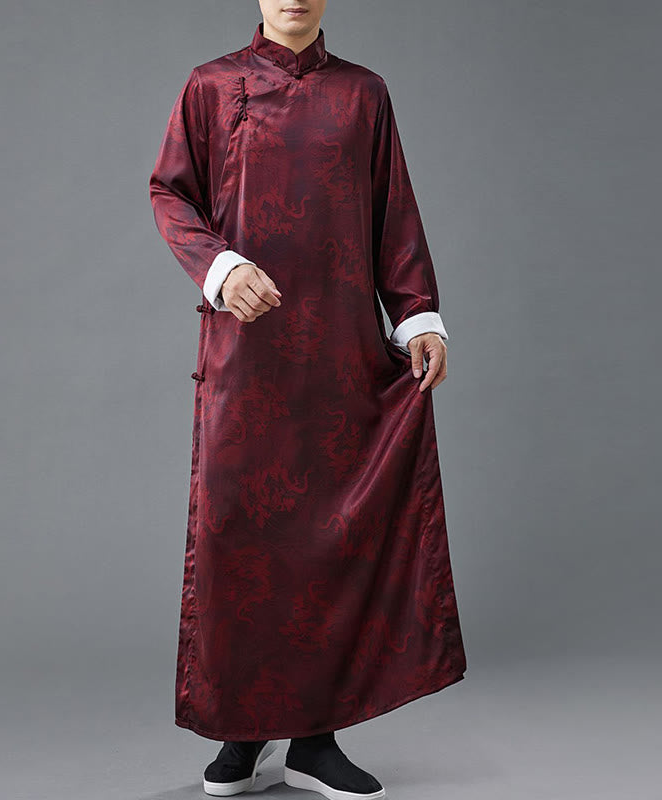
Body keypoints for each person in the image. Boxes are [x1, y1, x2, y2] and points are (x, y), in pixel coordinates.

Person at [148, 2, 467, 797]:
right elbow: (170, 194)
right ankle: (242, 731)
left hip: (340, 357)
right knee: (238, 539)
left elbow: (393, 215)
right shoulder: (210, 87)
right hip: (244, 358)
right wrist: (220, 268)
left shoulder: (364, 94)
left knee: (330, 542)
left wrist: (417, 316)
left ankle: (314, 739)